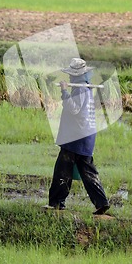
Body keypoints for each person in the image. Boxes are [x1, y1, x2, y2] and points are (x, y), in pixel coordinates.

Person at [47, 58, 110, 215]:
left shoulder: (80, 90)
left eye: (71, 75)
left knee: (63, 169)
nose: (69, 78)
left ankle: (57, 202)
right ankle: (101, 203)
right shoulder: (86, 89)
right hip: (86, 135)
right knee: (88, 171)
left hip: (76, 136)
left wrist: (64, 91)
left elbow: (74, 109)